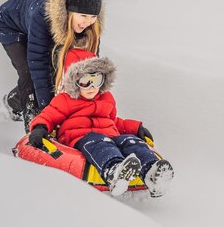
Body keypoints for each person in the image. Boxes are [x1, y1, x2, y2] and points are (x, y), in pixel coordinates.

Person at [27, 49, 174, 197]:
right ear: (74, 82)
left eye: (96, 80)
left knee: (130, 141)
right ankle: (114, 172)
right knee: (100, 143)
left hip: (110, 135)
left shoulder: (106, 98)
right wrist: (40, 128)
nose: (92, 87)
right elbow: (49, 115)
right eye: (85, 82)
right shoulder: (65, 100)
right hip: (82, 137)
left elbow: (113, 121)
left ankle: (152, 173)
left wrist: (136, 128)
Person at [0, 0, 104, 131]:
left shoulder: (89, 26)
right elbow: (38, 64)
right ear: (70, 11)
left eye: (93, 16)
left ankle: (13, 101)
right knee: (29, 74)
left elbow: (88, 66)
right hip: (11, 25)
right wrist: (47, 113)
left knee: (56, 70)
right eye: (83, 16)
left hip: (44, 26)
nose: (87, 22)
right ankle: (32, 119)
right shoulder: (43, 16)